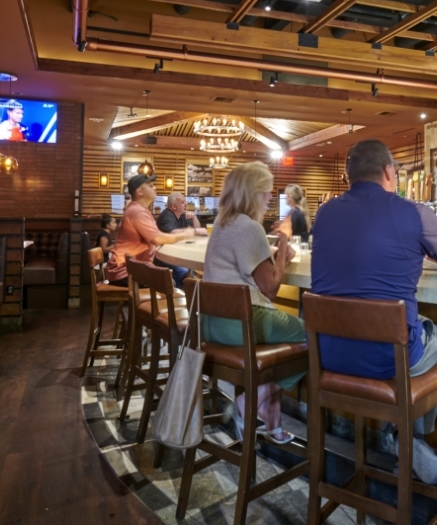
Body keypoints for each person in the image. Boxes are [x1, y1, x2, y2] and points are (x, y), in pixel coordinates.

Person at [311, 139, 437, 483]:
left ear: (348, 176)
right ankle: (411, 438)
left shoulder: (325, 213)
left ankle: (401, 438)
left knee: (407, 323)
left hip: (327, 354)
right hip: (388, 360)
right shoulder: (413, 212)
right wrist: (436, 253)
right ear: (389, 172)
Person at [203, 161, 305, 445]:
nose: (270, 197)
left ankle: (273, 422)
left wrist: (279, 257)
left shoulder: (222, 224)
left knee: (281, 350)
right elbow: (270, 289)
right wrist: (283, 241)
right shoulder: (249, 227)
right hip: (240, 325)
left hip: (211, 324)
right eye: (266, 191)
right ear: (252, 193)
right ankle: (250, 400)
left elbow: (254, 270)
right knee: (313, 337)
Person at [106, 174, 196, 287]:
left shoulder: (140, 210)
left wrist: (181, 232)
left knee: (172, 279)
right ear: (140, 191)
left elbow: (157, 234)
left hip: (132, 269)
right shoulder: (137, 212)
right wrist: (185, 235)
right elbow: (158, 239)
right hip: (125, 273)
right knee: (169, 283)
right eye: (150, 185)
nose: (154, 188)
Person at [155, 192, 204, 287]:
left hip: (174, 254)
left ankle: (185, 289)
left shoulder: (182, 216)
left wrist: (194, 217)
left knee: (191, 265)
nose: (186, 204)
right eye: (182, 202)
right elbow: (172, 233)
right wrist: (193, 231)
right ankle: (172, 289)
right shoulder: (166, 216)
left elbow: (197, 228)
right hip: (162, 256)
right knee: (183, 270)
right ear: (174, 206)